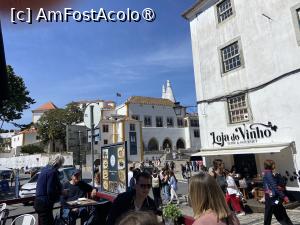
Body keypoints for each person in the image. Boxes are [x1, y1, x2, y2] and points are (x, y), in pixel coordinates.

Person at [34, 154, 65, 225]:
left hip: (38, 202)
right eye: (61, 163)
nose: (61, 165)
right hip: (44, 204)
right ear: (59, 163)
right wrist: (61, 192)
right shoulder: (52, 172)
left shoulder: (44, 169)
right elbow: (50, 191)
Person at [263, 160, 293, 225]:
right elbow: (274, 187)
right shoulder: (268, 174)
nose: (275, 165)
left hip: (271, 198)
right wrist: (284, 196)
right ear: (271, 165)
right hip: (272, 198)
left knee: (275, 213)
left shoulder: (267, 173)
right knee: (275, 214)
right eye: (274, 164)